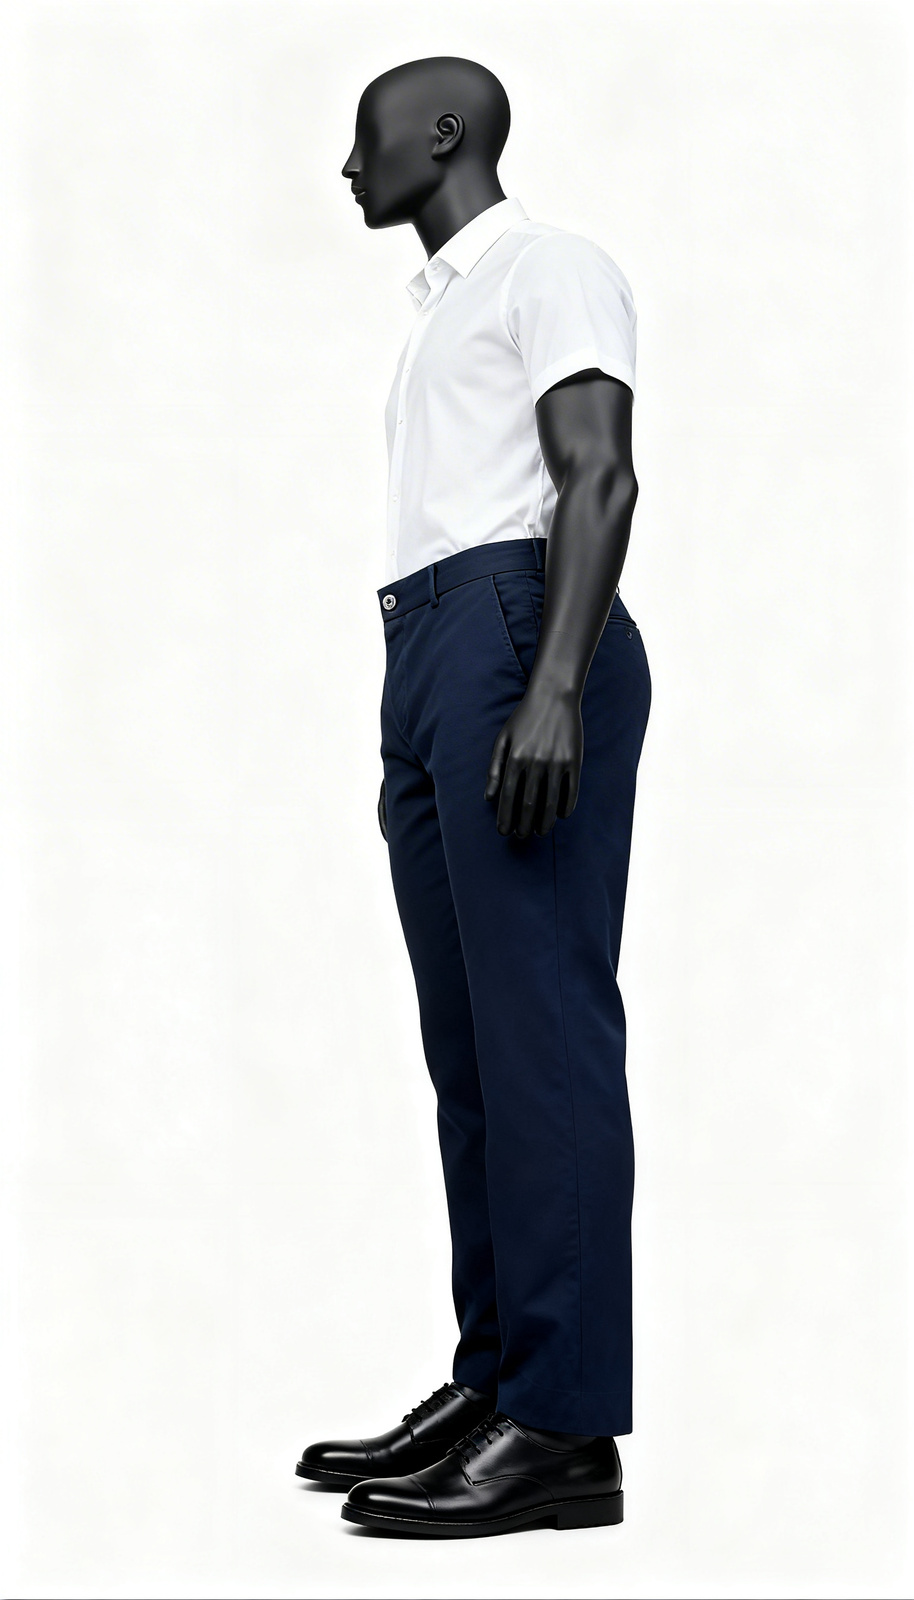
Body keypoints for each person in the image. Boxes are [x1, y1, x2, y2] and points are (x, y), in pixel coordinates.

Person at [296, 55, 652, 1538]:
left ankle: (563, 1427)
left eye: (364, 135)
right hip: (430, 643)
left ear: (442, 133)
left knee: (542, 1038)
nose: (347, 165)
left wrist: (553, 684)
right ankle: (500, 1374)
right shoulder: (440, 312)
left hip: (518, 630)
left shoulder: (545, 265)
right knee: (475, 1052)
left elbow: (598, 477)